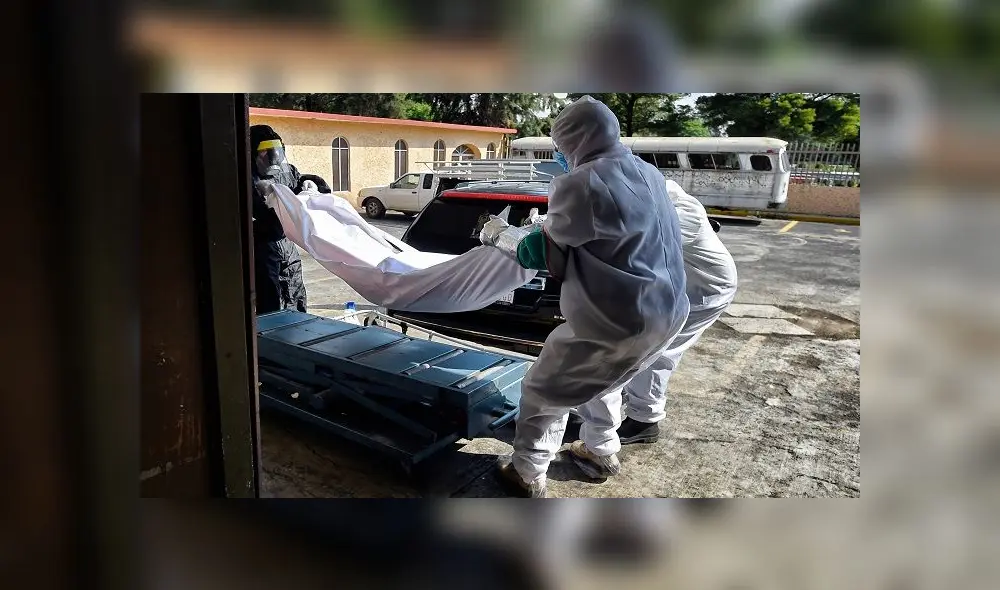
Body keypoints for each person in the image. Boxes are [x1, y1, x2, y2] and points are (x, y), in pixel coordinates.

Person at [479, 95, 690, 497]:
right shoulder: (646, 171)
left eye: (561, 149)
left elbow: (540, 253)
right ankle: (601, 450)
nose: (560, 157)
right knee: (605, 378)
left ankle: (526, 472)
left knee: (544, 390)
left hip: (621, 318)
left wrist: (498, 235)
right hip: (669, 309)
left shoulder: (584, 182)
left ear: (574, 141)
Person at [616, 180, 738, 444]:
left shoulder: (683, 212)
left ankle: (643, 421)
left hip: (705, 289)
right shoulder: (655, 201)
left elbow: (637, 243)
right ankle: (623, 398)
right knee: (639, 344)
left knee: (659, 349)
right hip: (678, 285)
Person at [250, 124, 308, 314]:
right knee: (271, 307)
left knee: (296, 299)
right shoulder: (244, 177)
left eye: (276, 151)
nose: (272, 158)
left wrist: (312, 184)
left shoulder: (285, 171)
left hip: (289, 251)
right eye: (265, 153)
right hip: (263, 253)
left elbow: (297, 182)